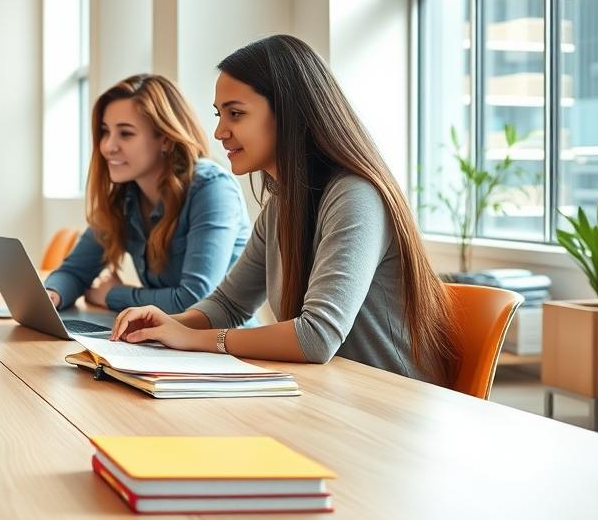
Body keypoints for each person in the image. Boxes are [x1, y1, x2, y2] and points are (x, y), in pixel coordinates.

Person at [111, 35, 460, 385]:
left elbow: (316, 337)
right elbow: (229, 305)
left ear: (290, 112)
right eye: (220, 114)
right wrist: (167, 325)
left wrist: (194, 339)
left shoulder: (355, 195)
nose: (219, 131)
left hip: (386, 410)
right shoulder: (282, 204)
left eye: (236, 113)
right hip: (329, 397)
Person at [43, 74, 250, 314]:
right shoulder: (125, 195)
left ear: (165, 139)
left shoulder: (212, 188)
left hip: (221, 346)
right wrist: (52, 295)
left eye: (126, 133)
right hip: (163, 344)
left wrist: (113, 295)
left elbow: (195, 300)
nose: (108, 146)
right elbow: (75, 271)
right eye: (104, 131)